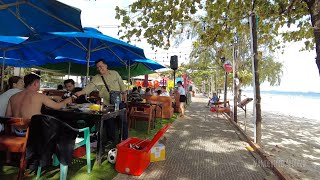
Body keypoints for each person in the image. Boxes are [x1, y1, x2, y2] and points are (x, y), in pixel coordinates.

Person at [74, 59, 127, 143]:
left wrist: (124, 93)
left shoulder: (114, 73)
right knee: (109, 122)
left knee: (122, 121)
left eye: (101, 66)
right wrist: (81, 92)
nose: (99, 69)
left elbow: (121, 83)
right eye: (97, 67)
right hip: (106, 103)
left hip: (118, 101)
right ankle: (111, 140)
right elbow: (90, 87)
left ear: (106, 65)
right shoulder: (96, 78)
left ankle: (124, 139)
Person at [6, 73, 73, 120]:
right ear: (36, 83)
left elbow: (7, 116)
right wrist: (66, 101)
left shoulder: (13, 97)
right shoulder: (40, 96)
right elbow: (57, 106)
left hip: (16, 130)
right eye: (39, 83)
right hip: (33, 131)